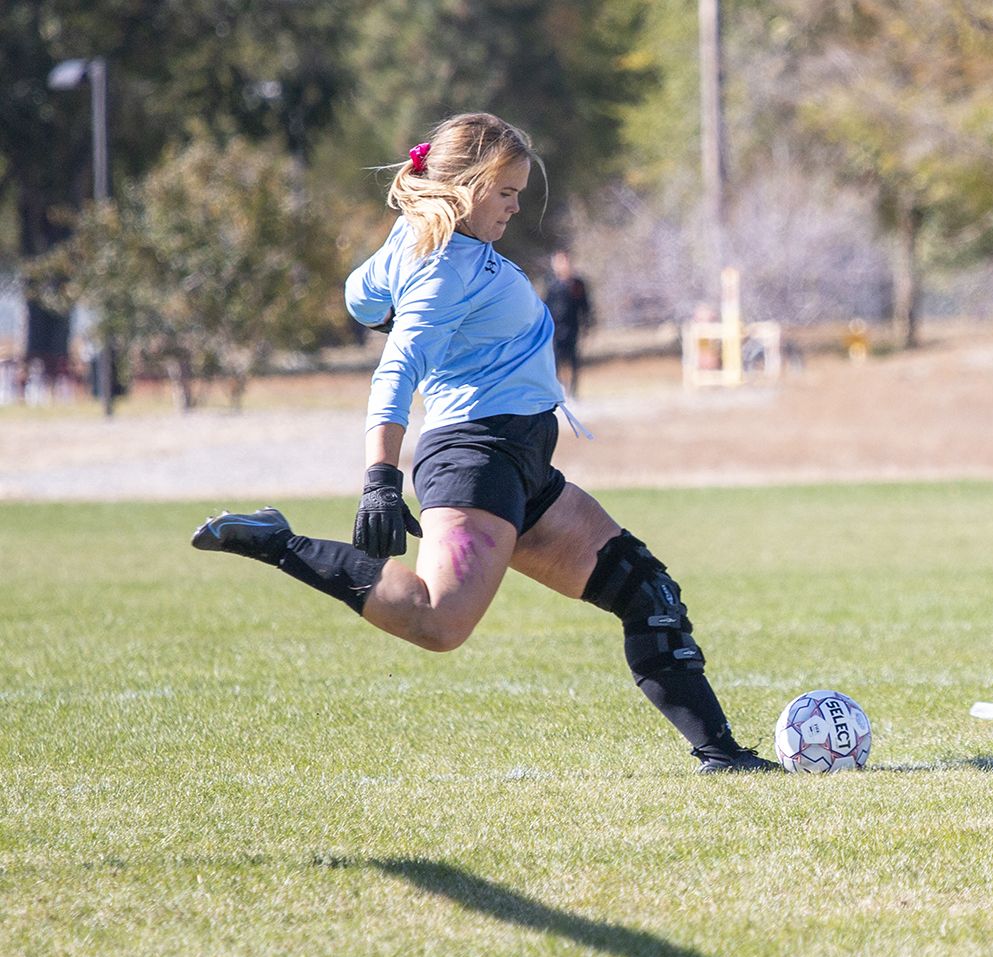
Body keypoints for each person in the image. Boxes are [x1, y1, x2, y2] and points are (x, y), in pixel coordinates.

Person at [191, 113, 775, 773]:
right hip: (476, 458)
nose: (516, 205)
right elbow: (394, 374)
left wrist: (397, 268)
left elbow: (359, 297)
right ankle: (278, 541)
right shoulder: (442, 272)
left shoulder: (426, 246)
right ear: (464, 185)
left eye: (519, 191)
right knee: (439, 622)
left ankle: (724, 756)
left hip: (520, 462)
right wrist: (380, 479)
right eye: (505, 192)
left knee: (647, 593)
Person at [544, 251, 591, 396]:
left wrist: (587, 324)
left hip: (572, 326)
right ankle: (559, 390)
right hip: (555, 329)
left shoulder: (577, 284)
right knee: (555, 361)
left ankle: (574, 391)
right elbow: (546, 306)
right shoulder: (551, 284)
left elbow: (585, 305)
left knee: (573, 360)